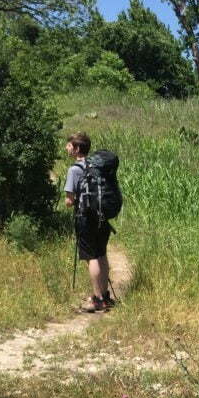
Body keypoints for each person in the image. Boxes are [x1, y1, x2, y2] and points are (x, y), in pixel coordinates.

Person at [64, 132, 113, 312]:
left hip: (86, 218)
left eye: (69, 145)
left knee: (91, 257)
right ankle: (105, 296)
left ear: (77, 149)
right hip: (102, 218)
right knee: (101, 254)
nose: (66, 148)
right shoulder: (97, 166)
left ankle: (97, 299)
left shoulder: (74, 170)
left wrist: (73, 200)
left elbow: (69, 202)